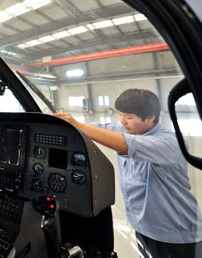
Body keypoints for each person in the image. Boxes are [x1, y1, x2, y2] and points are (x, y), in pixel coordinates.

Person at [54, 89, 202, 258]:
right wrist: (68, 123)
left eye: (129, 117)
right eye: (120, 115)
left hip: (175, 233)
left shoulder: (170, 142)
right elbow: (100, 129)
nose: (123, 122)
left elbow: (126, 144)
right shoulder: (127, 129)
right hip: (143, 227)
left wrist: (78, 125)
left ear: (151, 118)